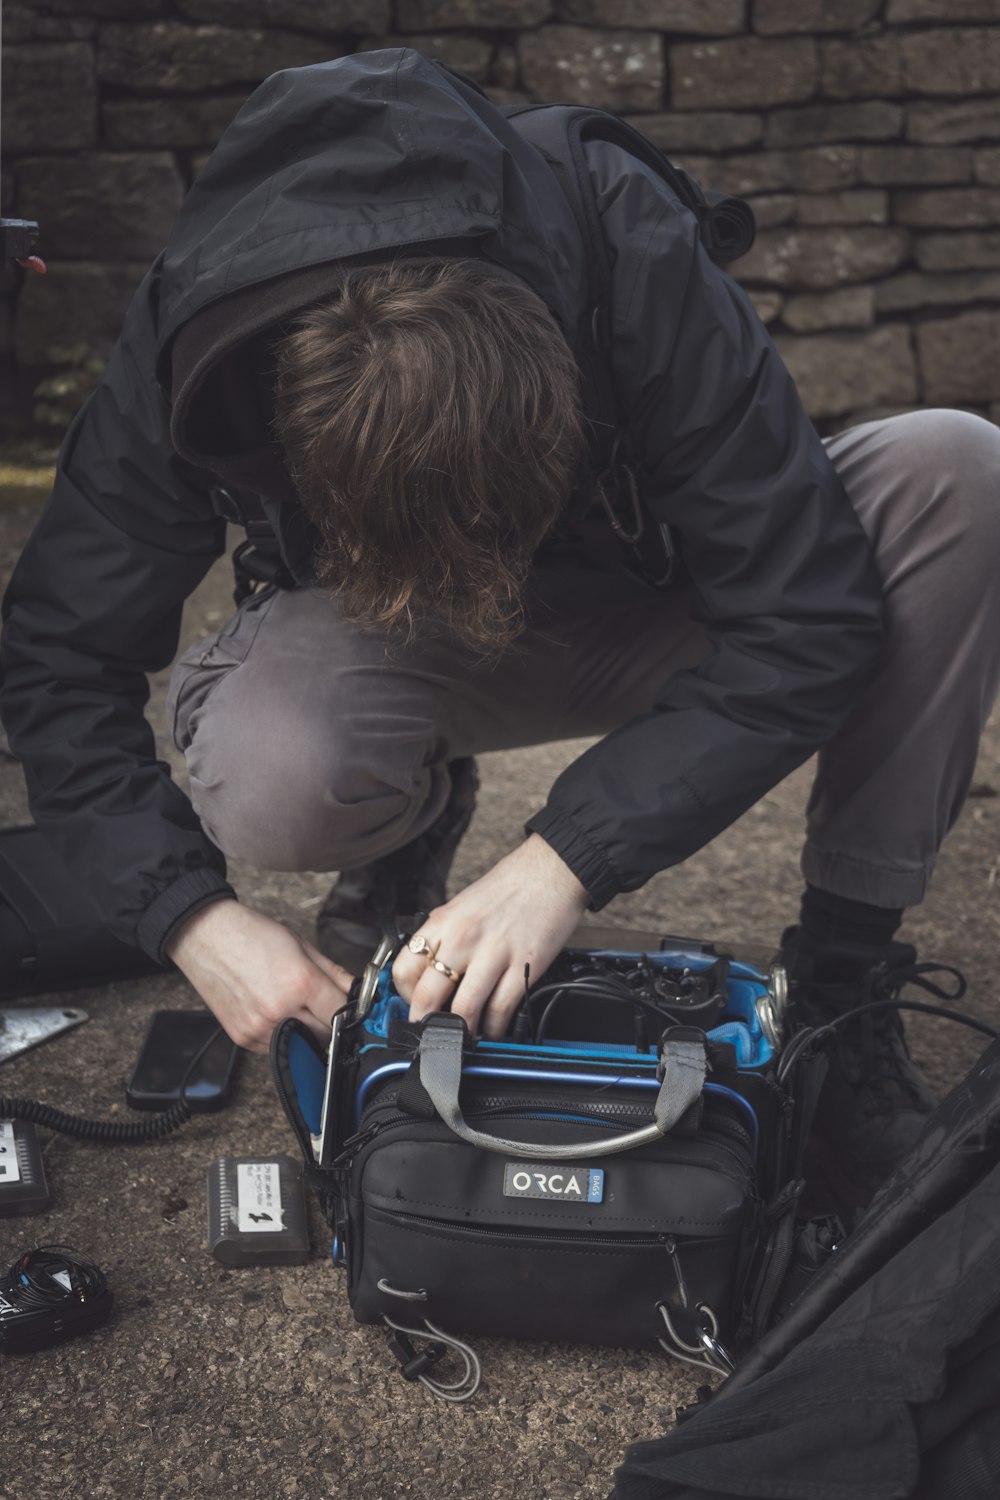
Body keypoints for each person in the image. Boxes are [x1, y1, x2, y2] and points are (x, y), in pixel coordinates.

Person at [2, 50, 998, 1214]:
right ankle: (407, 822)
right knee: (272, 767)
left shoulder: (618, 240)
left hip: (676, 607)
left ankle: (841, 979)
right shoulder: (198, 338)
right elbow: (61, 650)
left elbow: (804, 607)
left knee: (956, 468)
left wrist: (560, 862)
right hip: (416, 640)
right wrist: (188, 917)